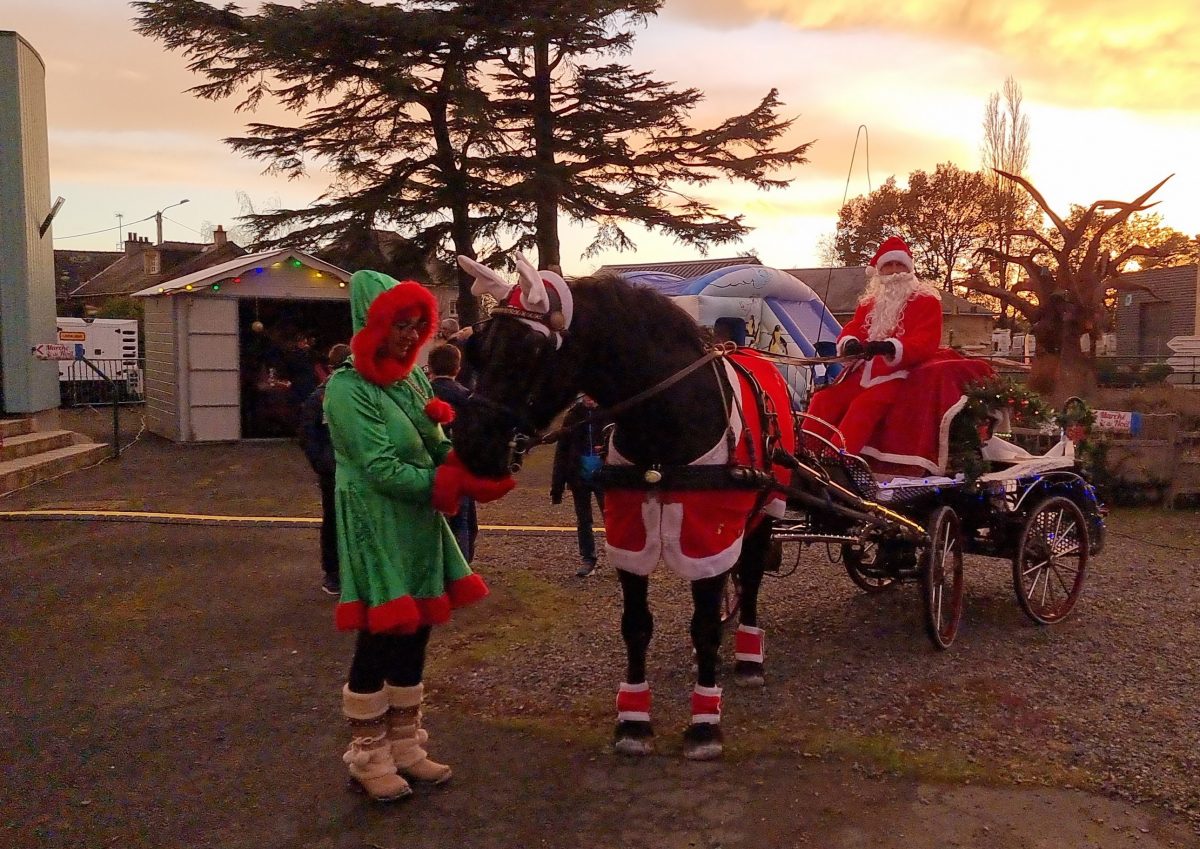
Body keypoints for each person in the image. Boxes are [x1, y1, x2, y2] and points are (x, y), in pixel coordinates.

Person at [323, 270, 514, 802]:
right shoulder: (346, 388)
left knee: (418, 629)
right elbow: (379, 467)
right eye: (398, 325)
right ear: (371, 323)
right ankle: (367, 754)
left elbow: (433, 445)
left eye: (417, 325)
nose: (410, 336)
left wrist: (471, 469)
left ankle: (405, 745)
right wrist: (446, 482)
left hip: (419, 519)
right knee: (381, 634)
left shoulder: (409, 381)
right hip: (376, 520)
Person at [804, 236, 943, 455]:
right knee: (824, 398)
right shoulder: (870, 302)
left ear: (909, 268)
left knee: (863, 407)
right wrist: (849, 343)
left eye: (900, 265)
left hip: (900, 375)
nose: (895, 271)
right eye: (889, 265)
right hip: (863, 373)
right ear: (880, 271)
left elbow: (926, 341)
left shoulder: (926, 300)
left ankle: (838, 461)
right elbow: (855, 327)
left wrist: (889, 348)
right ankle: (803, 453)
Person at [298, 343, 352, 596]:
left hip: (342, 468)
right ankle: (334, 572)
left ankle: (339, 573)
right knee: (334, 520)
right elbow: (308, 435)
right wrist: (324, 464)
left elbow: (307, 436)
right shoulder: (320, 398)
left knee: (338, 520)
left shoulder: (331, 396)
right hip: (337, 469)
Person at [427, 342, 477, 563]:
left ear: (429, 367)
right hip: (459, 464)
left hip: (426, 463)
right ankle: (461, 570)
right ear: (457, 368)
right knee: (462, 521)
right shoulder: (467, 398)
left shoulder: (421, 395)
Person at [551, 394, 609, 577]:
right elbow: (562, 451)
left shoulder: (609, 413)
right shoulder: (573, 416)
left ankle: (621, 558)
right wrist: (557, 486)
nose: (590, 399)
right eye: (586, 396)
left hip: (605, 476)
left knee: (611, 518)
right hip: (579, 476)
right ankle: (588, 558)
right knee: (584, 520)